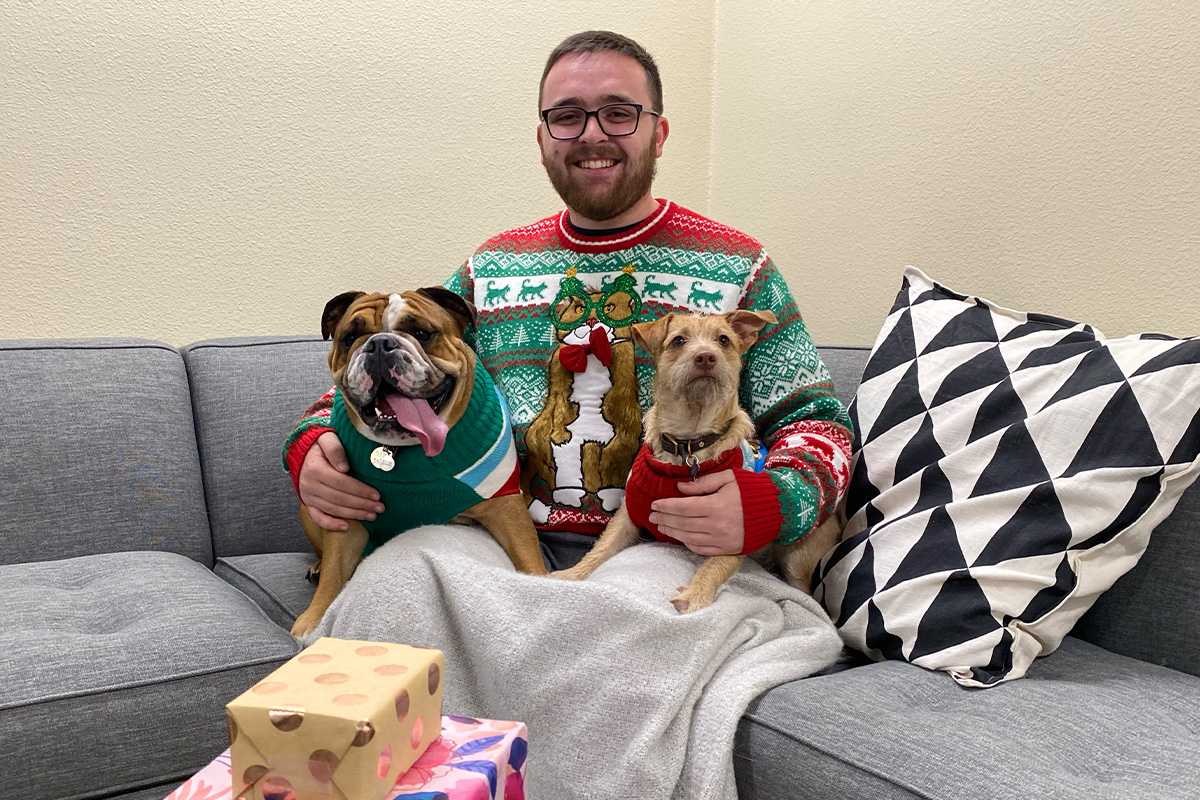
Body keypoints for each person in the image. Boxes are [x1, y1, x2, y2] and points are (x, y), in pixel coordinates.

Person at [283, 30, 853, 571]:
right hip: (502, 541)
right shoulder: (489, 269)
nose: (591, 134)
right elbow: (393, 369)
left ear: (658, 133)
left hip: (663, 548)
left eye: (619, 112)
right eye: (567, 116)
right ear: (542, 139)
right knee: (401, 578)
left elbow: (820, 426)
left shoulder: (740, 266)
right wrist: (312, 445)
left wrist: (770, 502)